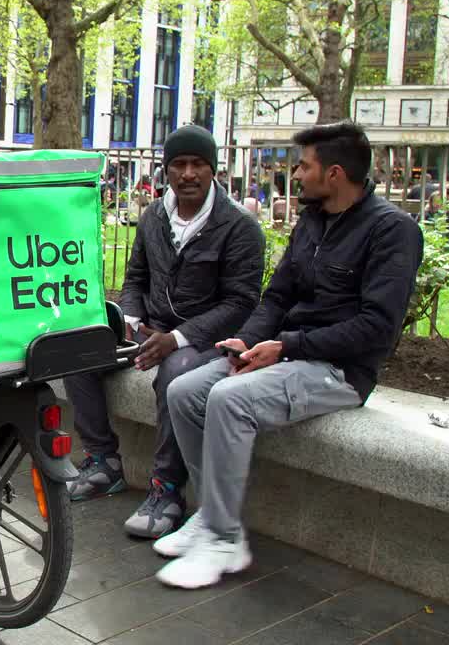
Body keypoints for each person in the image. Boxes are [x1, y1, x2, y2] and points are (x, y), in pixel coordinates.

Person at [154, 122, 424, 590]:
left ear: (334, 173)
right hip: (285, 354)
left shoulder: (392, 231)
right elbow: (277, 298)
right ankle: (212, 515)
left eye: (303, 166)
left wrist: (288, 346)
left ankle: (223, 539)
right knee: (184, 391)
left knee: (229, 399)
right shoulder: (313, 222)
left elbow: (377, 328)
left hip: (338, 371)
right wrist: (247, 342)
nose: (295, 174)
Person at [64, 124, 265, 539]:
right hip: (151, 329)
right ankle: (103, 461)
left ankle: (167, 490)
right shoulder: (154, 216)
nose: (188, 174)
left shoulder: (239, 225)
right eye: (179, 165)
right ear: (166, 169)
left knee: (176, 374)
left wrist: (177, 338)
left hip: (205, 340)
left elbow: (240, 303)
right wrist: (129, 321)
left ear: (213, 169)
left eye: (198, 164)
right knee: (77, 350)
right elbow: (136, 278)